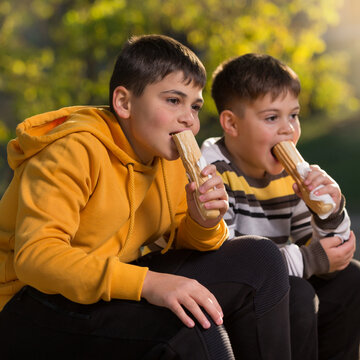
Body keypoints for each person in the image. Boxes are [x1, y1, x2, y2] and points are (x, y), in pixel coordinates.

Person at [0, 35, 293, 359]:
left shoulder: (166, 155)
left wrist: (203, 221)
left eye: (194, 106)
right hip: (24, 304)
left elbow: (185, 237)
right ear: (124, 103)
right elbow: (36, 258)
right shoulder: (71, 150)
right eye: (173, 100)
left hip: (111, 280)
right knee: (190, 332)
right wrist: (150, 284)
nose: (189, 119)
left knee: (262, 259)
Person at [201, 53, 360, 360]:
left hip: (279, 284)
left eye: (294, 115)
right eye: (272, 118)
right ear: (231, 123)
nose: (288, 129)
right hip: (229, 299)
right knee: (297, 295)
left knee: (350, 280)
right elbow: (236, 262)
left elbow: (330, 253)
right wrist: (312, 259)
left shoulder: (288, 175)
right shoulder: (212, 172)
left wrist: (330, 209)